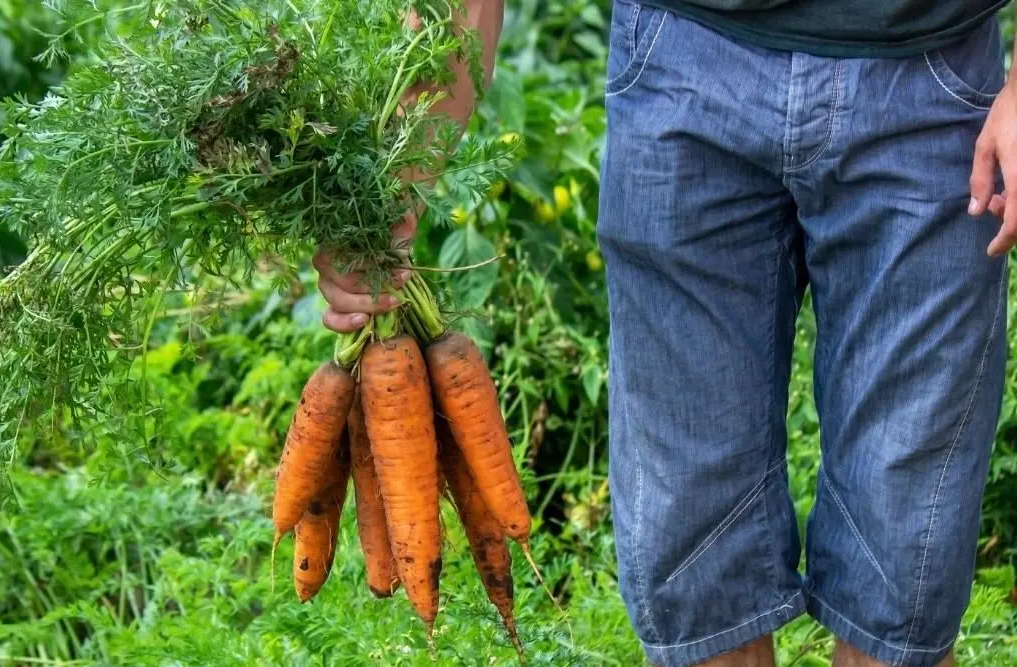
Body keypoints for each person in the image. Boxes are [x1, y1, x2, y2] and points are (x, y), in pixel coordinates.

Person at [313, 1, 1017, 665]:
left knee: (903, 567)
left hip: (931, 76)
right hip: (681, 59)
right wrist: (391, 180)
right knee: (694, 559)